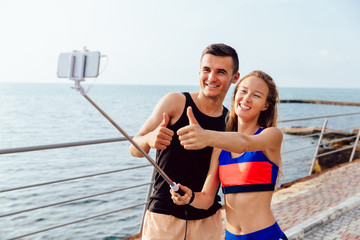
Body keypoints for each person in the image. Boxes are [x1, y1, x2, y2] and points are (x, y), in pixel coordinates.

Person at [129, 43, 240, 240]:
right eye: (206, 70)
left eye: (221, 72)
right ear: (199, 72)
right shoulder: (175, 102)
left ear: (235, 78)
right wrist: (149, 138)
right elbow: (134, 148)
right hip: (164, 219)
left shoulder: (230, 122)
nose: (211, 78)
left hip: (207, 221)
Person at [171, 70, 288, 240]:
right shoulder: (220, 148)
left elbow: (245, 143)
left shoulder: (272, 136)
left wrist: (206, 136)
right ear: (235, 96)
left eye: (256, 95)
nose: (246, 98)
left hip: (266, 236)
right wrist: (190, 197)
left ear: (265, 105)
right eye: (243, 91)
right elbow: (206, 199)